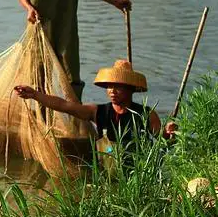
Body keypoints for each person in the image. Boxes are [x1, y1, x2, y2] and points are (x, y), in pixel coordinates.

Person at [14, 59, 177, 170]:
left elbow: (165, 141)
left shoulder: (146, 115)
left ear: (131, 89)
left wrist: (170, 133)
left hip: (137, 174)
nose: (112, 91)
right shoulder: (98, 112)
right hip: (107, 173)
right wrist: (35, 95)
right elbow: (64, 105)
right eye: (109, 86)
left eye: (118, 87)